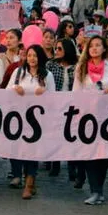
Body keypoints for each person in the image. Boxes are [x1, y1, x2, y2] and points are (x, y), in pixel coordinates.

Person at [73, 35, 108, 205]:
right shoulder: (81, 68)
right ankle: (94, 189)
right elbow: (76, 93)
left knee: (103, 155)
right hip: (87, 118)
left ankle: (99, 190)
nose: (94, 48)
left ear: (104, 49)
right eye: (91, 46)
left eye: (98, 45)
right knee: (89, 154)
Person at [6, 44, 55, 199]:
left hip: (37, 120)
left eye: (35, 55)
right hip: (18, 118)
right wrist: (15, 88)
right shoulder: (18, 72)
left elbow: (55, 97)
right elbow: (6, 92)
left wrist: (45, 92)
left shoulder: (47, 75)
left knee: (32, 152)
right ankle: (21, 175)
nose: (32, 59)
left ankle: (29, 181)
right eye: (29, 55)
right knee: (18, 149)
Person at [46, 39, 78, 179]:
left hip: (73, 105)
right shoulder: (50, 65)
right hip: (55, 105)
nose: (56, 51)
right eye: (55, 49)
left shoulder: (77, 66)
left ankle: (72, 167)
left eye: (59, 48)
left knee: (71, 137)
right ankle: (55, 163)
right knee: (55, 136)